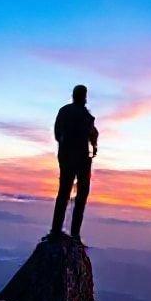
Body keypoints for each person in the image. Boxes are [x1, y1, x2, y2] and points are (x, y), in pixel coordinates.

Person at [49, 84, 98, 240]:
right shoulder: (85, 115)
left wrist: (65, 145)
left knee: (64, 192)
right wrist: (94, 146)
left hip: (68, 157)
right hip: (81, 158)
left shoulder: (66, 111)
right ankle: (73, 233)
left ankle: (57, 230)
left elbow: (57, 133)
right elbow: (93, 133)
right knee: (80, 195)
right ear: (83, 96)